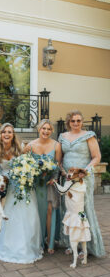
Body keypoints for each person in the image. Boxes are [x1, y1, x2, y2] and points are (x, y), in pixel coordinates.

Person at [0, 123, 43, 263]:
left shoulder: (20, 147)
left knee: (24, 216)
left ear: (13, 134)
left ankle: (25, 247)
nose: (7, 134)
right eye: (4, 132)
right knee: (6, 215)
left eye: (9, 132)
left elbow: (28, 163)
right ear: (0, 135)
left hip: (20, 184)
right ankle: (6, 245)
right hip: (4, 187)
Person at [58, 110, 105, 257]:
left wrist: (85, 170)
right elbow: (59, 160)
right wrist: (63, 172)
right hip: (67, 178)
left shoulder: (88, 136)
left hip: (83, 179)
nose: (76, 123)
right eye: (73, 121)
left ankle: (88, 246)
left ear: (82, 122)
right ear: (68, 122)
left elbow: (96, 157)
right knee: (70, 210)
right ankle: (71, 243)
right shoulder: (62, 137)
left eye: (79, 121)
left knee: (82, 210)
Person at [24, 119, 62, 254]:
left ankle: (50, 242)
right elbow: (24, 164)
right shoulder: (30, 145)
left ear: (52, 131)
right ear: (39, 129)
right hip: (36, 184)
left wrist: (54, 178)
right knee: (37, 212)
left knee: (50, 211)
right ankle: (38, 241)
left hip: (50, 183)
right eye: (43, 129)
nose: (46, 131)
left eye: (49, 129)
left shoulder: (56, 145)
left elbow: (58, 165)